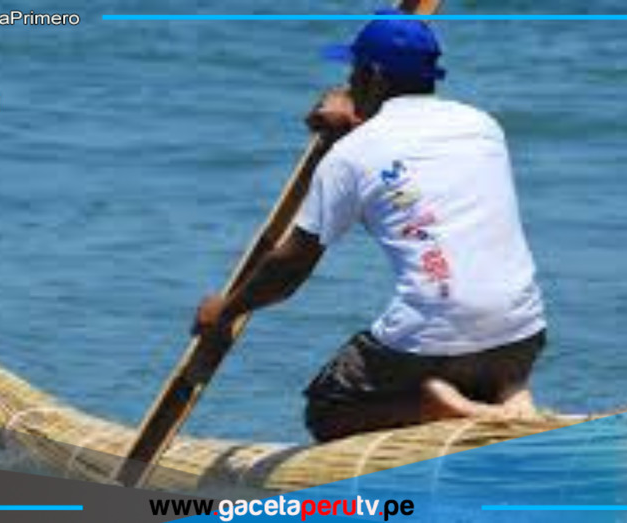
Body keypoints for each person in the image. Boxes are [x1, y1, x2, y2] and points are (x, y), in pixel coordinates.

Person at [193, 13, 547, 442]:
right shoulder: (482, 125)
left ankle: (436, 409)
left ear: (373, 75)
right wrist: (353, 123)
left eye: (353, 71)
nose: (349, 81)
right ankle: (507, 398)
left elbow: (290, 269)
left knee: (328, 409)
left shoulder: (350, 157)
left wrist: (227, 309)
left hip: (436, 345)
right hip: (522, 335)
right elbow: (406, 154)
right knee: (470, 350)